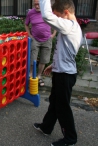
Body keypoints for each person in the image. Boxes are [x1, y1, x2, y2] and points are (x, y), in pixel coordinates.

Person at [33, 0, 82, 146]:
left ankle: (70, 139)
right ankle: (46, 127)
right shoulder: (71, 27)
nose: (56, 19)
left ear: (66, 13)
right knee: (55, 101)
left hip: (65, 75)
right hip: (62, 72)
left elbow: (47, 16)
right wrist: (53, 65)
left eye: (58, 16)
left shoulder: (70, 26)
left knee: (62, 107)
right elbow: (64, 51)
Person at [25, 0, 56, 86]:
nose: (37, 6)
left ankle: (39, 76)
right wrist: (29, 35)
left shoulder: (48, 12)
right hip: (35, 39)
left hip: (47, 39)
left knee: (44, 60)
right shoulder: (31, 13)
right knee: (32, 58)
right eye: (35, 4)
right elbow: (26, 24)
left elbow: (55, 23)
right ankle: (30, 75)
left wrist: (53, 34)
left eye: (38, 4)